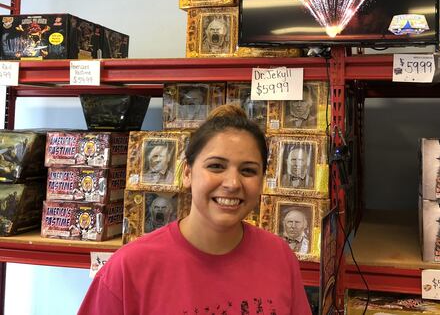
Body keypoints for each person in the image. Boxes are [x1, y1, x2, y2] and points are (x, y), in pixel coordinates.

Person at [79, 105, 311, 314]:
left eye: (248, 170)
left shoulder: (280, 257)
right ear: (188, 173)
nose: (232, 183)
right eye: (216, 166)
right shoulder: (128, 269)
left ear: (262, 180)